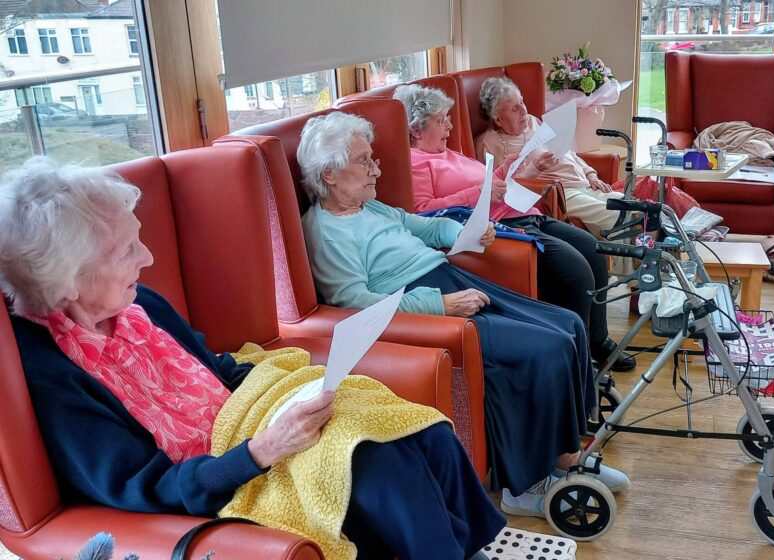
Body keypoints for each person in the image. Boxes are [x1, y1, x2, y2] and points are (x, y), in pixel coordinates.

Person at [0, 157, 505, 560]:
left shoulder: (140, 305)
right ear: (67, 276)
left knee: (422, 429)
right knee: (375, 461)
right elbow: (143, 487)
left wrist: (300, 386)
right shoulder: (49, 375)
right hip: (224, 475)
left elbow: (213, 369)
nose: (147, 259)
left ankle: (470, 550)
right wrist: (262, 450)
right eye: (126, 250)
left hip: (255, 422)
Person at [295, 112, 630, 518]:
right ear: (330, 174)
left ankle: (567, 454)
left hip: (448, 277)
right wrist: (439, 305)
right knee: (546, 348)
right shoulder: (325, 232)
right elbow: (354, 302)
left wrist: (464, 232)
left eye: (372, 159)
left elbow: (419, 225)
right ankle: (525, 486)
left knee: (569, 325)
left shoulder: (370, 208)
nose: (375, 168)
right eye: (364, 161)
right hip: (426, 306)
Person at [392, 83, 636, 372]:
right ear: (416, 129)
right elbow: (423, 211)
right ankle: (577, 361)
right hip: (502, 226)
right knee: (575, 272)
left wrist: (515, 165)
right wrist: (478, 193)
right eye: (441, 120)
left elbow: (492, 184)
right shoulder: (417, 162)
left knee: (592, 250)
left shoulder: (451, 154)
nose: (449, 126)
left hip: (522, 211)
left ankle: (598, 341)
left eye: (448, 118)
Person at [473, 76, 700, 237]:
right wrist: (535, 167)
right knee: (623, 215)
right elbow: (505, 187)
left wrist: (590, 173)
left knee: (638, 203)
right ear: (497, 119)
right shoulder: (489, 143)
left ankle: (696, 227)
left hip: (583, 184)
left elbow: (568, 152)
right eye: (514, 109)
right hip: (559, 192)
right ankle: (644, 282)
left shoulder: (533, 121)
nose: (523, 110)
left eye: (522, 102)